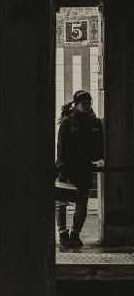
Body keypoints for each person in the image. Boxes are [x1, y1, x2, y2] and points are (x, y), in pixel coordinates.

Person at [55, 90, 104, 247]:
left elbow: (99, 146)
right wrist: (62, 166)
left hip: (84, 168)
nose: (88, 106)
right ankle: (63, 234)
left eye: (89, 103)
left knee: (82, 204)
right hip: (68, 168)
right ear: (76, 104)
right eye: (84, 103)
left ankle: (75, 233)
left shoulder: (94, 122)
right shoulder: (67, 121)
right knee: (62, 202)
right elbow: (61, 146)